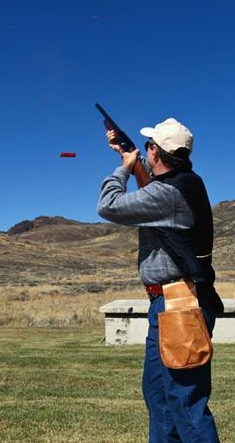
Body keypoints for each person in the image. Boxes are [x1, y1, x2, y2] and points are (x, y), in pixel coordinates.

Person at [97, 117, 223, 443]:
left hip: (179, 305)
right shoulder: (183, 183)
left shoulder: (169, 194)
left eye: (149, 146)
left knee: (185, 405)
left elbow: (108, 206)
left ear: (156, 152)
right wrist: (131, 155)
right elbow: (152, 188)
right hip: (169, 304)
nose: (147, 151)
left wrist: (125, 167)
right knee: (160, 399)